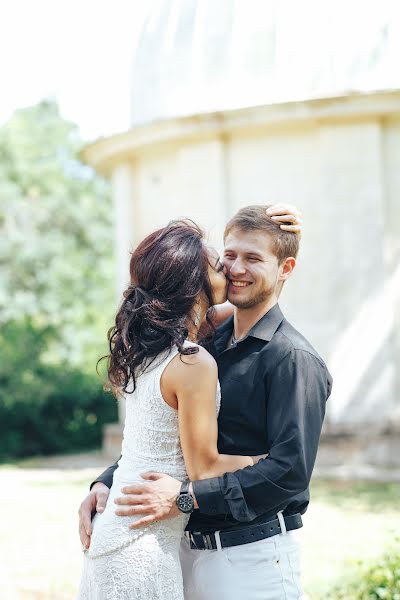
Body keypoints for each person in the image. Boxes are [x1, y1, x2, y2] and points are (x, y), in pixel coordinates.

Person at [80, 204, 327, 600]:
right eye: (229, 256)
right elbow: (163, 434)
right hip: (180, 552)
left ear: (285, 269)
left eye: (253, 258)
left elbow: (290, 474)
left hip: (250, 560)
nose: (235, 268)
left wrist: (184, 497)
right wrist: (107, 482)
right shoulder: (203, 343)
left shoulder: (291, 359)